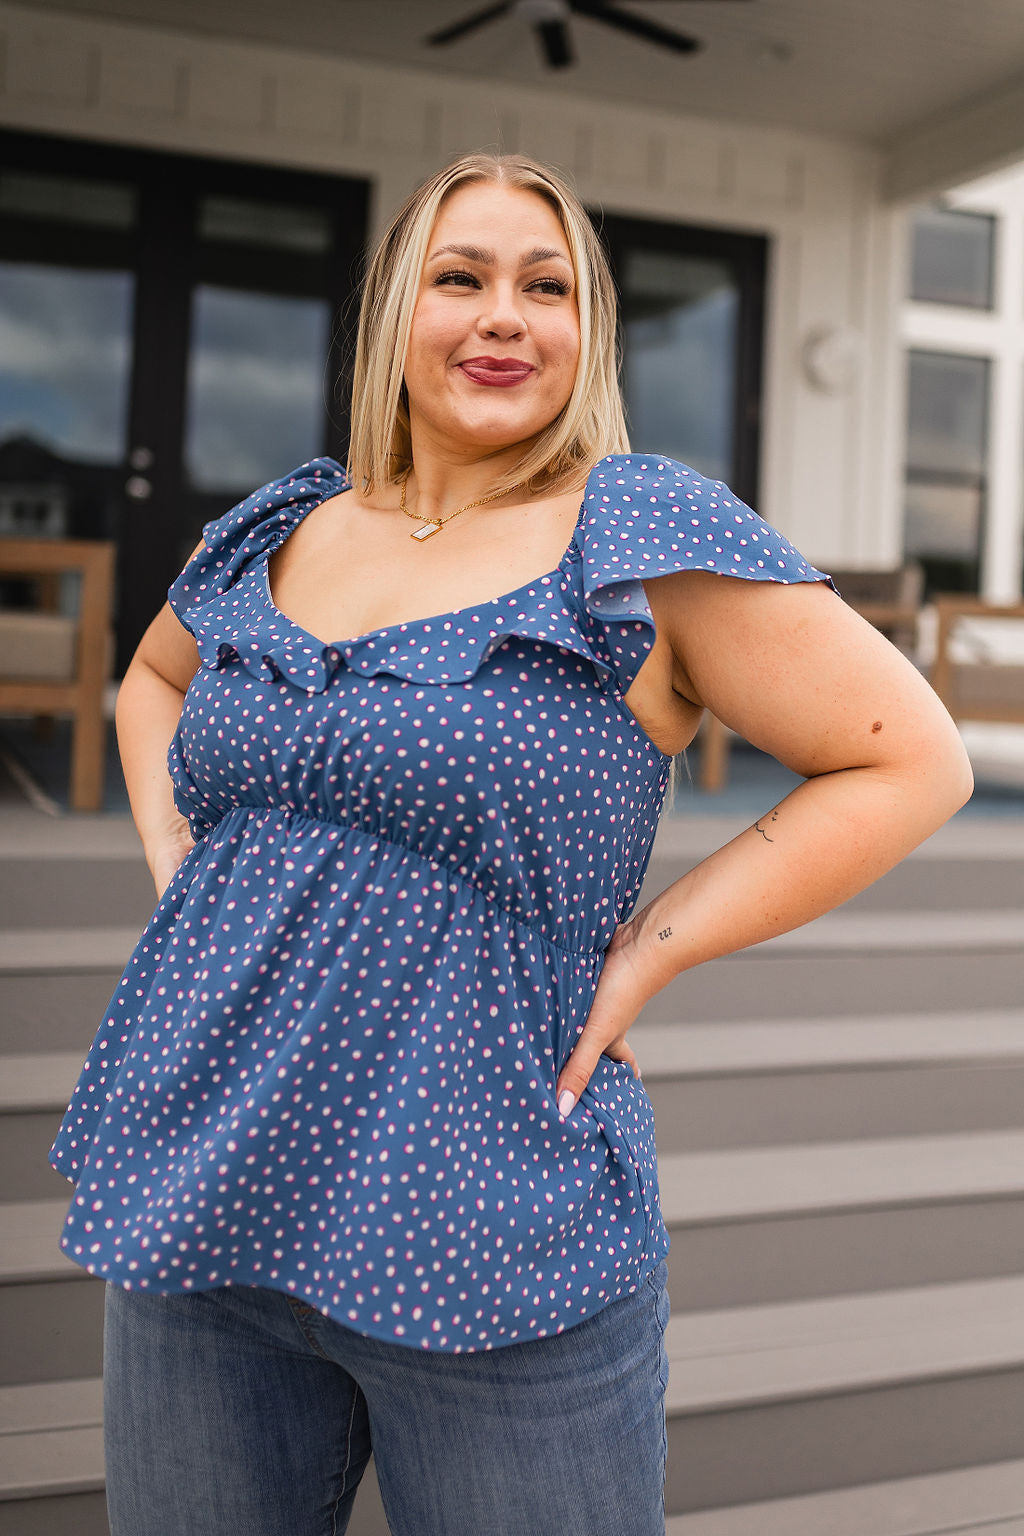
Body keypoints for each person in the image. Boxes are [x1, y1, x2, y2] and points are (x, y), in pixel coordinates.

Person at [50, 150, 973, 1536]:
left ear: (588, 329)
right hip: (209, 1175)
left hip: (482, 1207)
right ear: (393, 316)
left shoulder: (634, 528)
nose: (504, 315)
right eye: (460, 277)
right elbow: (153, 679)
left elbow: (910, 758)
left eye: (548, 286)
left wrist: (653, 951)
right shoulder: (289, 522)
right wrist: (181, 872)